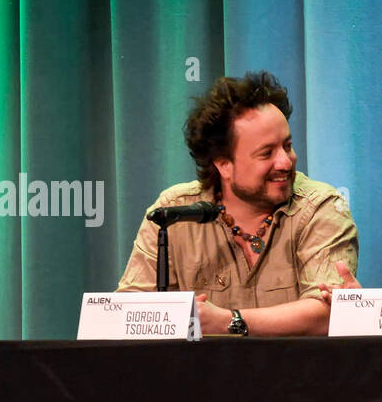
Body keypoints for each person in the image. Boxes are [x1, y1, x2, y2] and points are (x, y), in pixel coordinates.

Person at [117, 71, 358, 335]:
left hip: (298, 373)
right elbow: (130, 314)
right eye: (267, 153)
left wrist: (227, 321)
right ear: (223, 164)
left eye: (287, 146)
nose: (286, 162)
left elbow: (327, 313)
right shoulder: (173, 214)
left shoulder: (320, 207)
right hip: (201, 374)